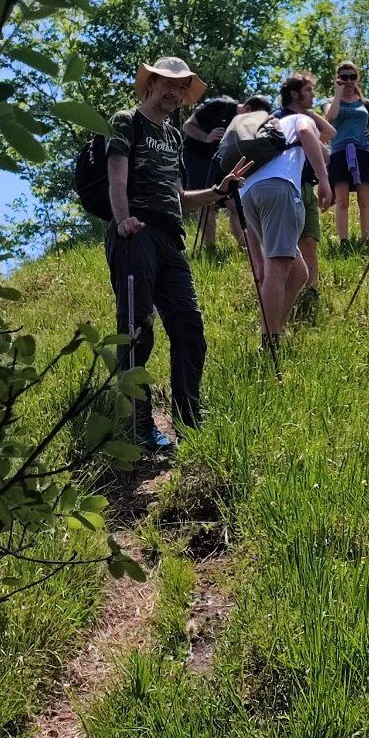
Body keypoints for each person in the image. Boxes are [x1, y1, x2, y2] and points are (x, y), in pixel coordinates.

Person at [106, 56, 251, 452]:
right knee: (137, 330)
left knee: (189, 327)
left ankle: (189, 420)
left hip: (171, 239)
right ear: (150, 83)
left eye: (182, 86)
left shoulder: (173, 136)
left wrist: (218, 191)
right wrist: (123, 220)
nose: (175, 92)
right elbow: (116, 176)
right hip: (135, 233)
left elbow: (180, 197)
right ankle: (139, 426)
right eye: (168, 83)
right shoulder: (126, 120)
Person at [239, 101, 332, 347]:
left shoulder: (271, 126)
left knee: (299, 272)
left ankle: (276, 327)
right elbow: (306, 133)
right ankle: (269, 340)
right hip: (280, 188)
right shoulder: (301, 120)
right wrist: (324, 179)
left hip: (248, 193)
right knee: (278, 268)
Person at [277, 73, 336, 312]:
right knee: (287, 246)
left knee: (309, 241)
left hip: (307, 187)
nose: (313, 95)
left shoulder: (305, 119)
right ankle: (284, 292)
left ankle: (310, 291)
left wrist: (308, 113)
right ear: (295, 93)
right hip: (286, 186)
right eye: (309, 91)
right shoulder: (277, 119)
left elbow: (330, 132)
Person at [325, 60, 369, 247]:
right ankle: (344, 241)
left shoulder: (365, 104)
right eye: (344, 77)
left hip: (362, 152)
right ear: (338, 79)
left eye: (353, 77)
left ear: (357, 78)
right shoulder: (330, 102)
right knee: (342, 200)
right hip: (339, 152)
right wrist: (337, 94)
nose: (349, 81)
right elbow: (330, 117)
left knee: (364, 199)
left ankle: (365, 240)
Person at [183, 94, 240, 249]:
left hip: (221, 159)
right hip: (197, 157)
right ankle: (210, 248)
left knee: (234, 202)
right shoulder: (220, 106)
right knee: (206, 201)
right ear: (247, 108)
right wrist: (207, 137)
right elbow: (187, 126)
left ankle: (244, 246)